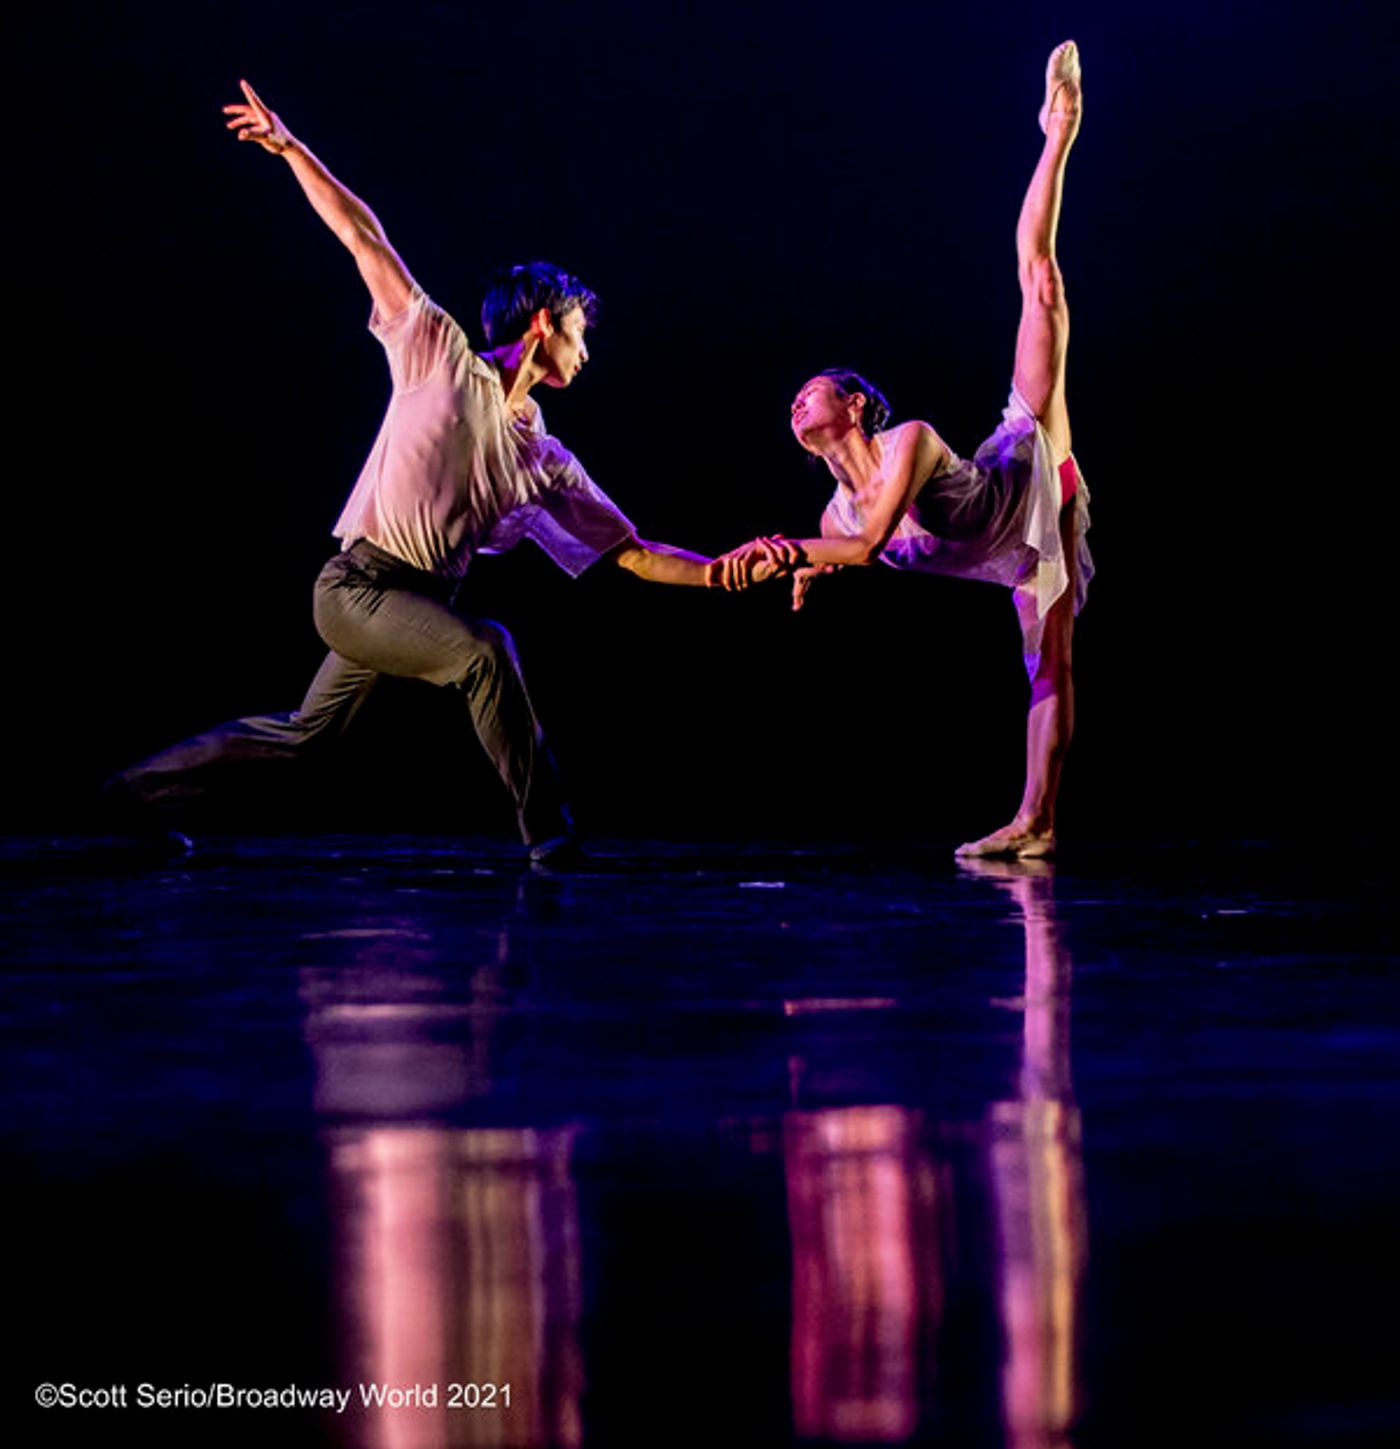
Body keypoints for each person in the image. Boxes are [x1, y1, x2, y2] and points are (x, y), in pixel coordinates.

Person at [109, 81, 756, 862]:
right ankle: (551, 836)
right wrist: (290, 148)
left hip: (414, 602)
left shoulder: (542, 457)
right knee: (487, 651)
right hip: (358, 589)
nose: (588, 351)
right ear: (543, 324)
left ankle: (135, 794)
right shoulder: (439, 355)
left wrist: (725, 569)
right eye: (581, 331)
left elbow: (634, 553)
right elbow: (363, 238)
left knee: (306, 738)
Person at [711, 42, 1093, 859]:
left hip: (1028, 480)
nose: (796, 401)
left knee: (1042, 283)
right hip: (1001, 556)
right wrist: (809, 563)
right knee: (1042, 660)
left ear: (853, 404)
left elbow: (869, 545)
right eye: (793, 400)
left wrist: (789, 553)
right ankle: (1037, 821)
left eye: (813, 390)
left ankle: (1056, 130)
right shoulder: (832, 507)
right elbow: (846, 546)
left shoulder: (909, 442)